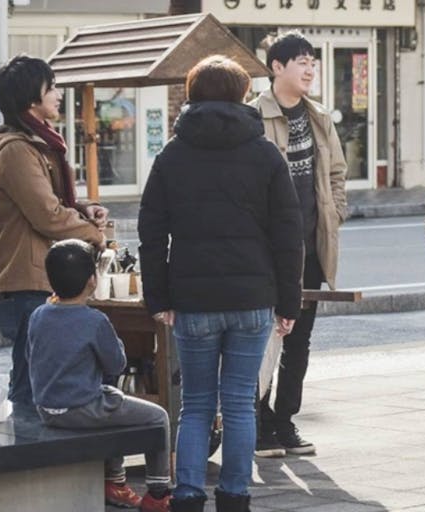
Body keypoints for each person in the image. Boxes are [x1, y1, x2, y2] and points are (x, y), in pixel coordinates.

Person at [138, 55, 304, 512]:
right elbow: (289, 235)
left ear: (192, 94)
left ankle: (188, 496)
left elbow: (151, 231)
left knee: (194, 404)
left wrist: (158, 297)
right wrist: (289, 302)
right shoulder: (265, 154)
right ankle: (234, 496)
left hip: (192, 300)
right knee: (238, 404)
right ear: (241, 95)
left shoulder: (172, 155)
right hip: (253, 299)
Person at [0, 55, 108, 406]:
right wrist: (95, 235)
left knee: (35, 375)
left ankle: (27, 439)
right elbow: (48, 216)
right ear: (30, 99)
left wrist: (82, 209)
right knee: (30, 384)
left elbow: (51, 204)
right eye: (51, 87)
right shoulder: (16, 151)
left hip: (36, 277)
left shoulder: (38, 143)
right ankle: (22, 441)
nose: (58, 94)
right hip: (24, 280)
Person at [250, 31, 348, 457]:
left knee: (299, 341)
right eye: (301, 62)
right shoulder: (253, 116)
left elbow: (337, 173)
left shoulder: (319, 116)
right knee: (262, 337)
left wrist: (334, 213)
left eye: (313, 62)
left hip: (310, 247)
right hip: (267, 251)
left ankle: (284, 420)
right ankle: (256, 421)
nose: (310, 70)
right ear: (277, 67)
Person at [27, 239, 172, 511]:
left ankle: (115, 481)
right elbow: (116, 365)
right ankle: (158, 492)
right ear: (92, 281)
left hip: (46, 408)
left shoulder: (38, 315)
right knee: (158, 417)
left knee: (113, 400)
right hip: (82, 408)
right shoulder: (94, 321)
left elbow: (31, 357)